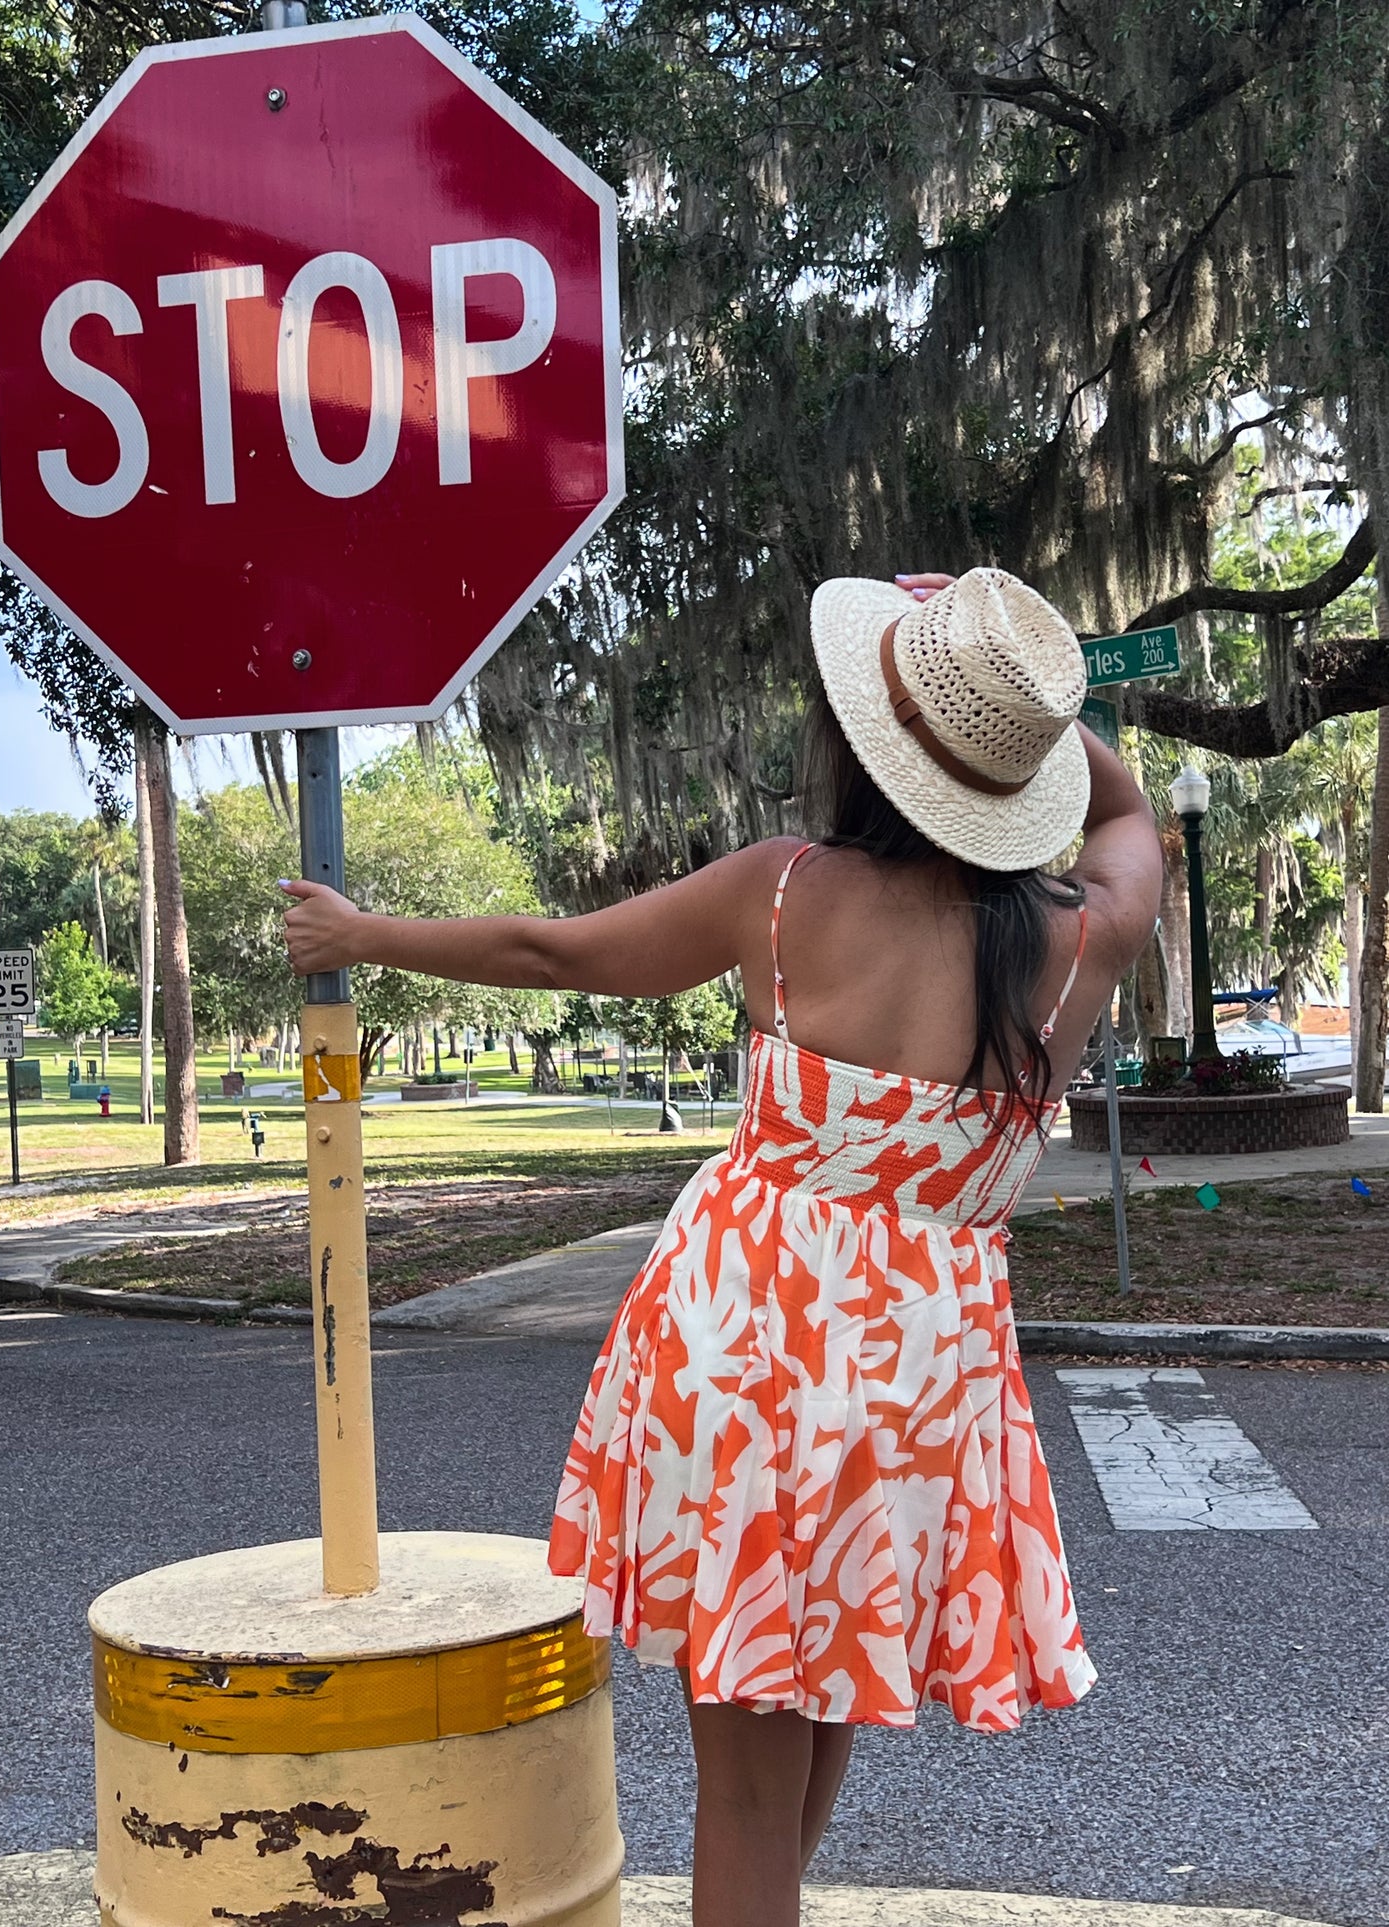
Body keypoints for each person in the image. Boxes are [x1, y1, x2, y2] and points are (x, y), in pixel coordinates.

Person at [281, 566, 1163, 1927]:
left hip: (750, 1349)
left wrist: (361, 934)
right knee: (816, 1708)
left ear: (872, 735)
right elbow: (1118, 807)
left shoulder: (783, 894)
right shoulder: (1081, 937)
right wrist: (1027, 704)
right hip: (924, 1371)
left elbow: (554, 954)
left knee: (743, 1788)